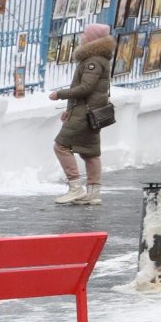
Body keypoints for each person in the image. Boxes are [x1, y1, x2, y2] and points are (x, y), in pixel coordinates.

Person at [49, 22, 115, 205]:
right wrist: (68, 110)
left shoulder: (92, 60)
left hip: (84, 114)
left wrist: (59, 95)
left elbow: (86, 88)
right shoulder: (100, 57)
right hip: (90, 112)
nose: (82, 36)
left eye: (85, 34)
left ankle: (75, 187)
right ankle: (93, 192)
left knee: (61, 146)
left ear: (92, 38)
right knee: (90, 152)